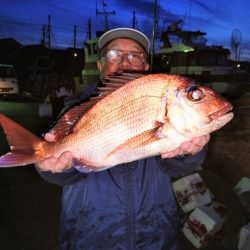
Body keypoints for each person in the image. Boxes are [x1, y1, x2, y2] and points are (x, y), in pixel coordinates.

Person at [36, 28, 210, 250]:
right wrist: (51, 165)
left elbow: (177, 165)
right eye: (113, 54)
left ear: (145, 67)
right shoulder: (76, 109)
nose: (125, 62)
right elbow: (64, 173)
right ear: (100, 66)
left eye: (135, 55)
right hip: (90, 236)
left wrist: (191, 151)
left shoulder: (163, 104)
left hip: (155, 236)